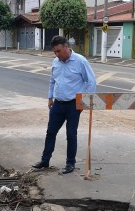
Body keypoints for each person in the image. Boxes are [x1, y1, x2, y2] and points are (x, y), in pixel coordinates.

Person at [32, 35, 96, 174]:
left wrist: (83, 102)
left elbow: (91, 82)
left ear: (66, 47)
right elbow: (52, 81)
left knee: (71, 134)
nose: (56, 54)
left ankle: (70, 163)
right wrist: (50, 97)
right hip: (58, 104)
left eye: (59, 51)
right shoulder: (56, 62)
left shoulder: (80, 61)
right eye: (54, 52)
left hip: (73, 105)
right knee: (50, 132)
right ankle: (45, 160)